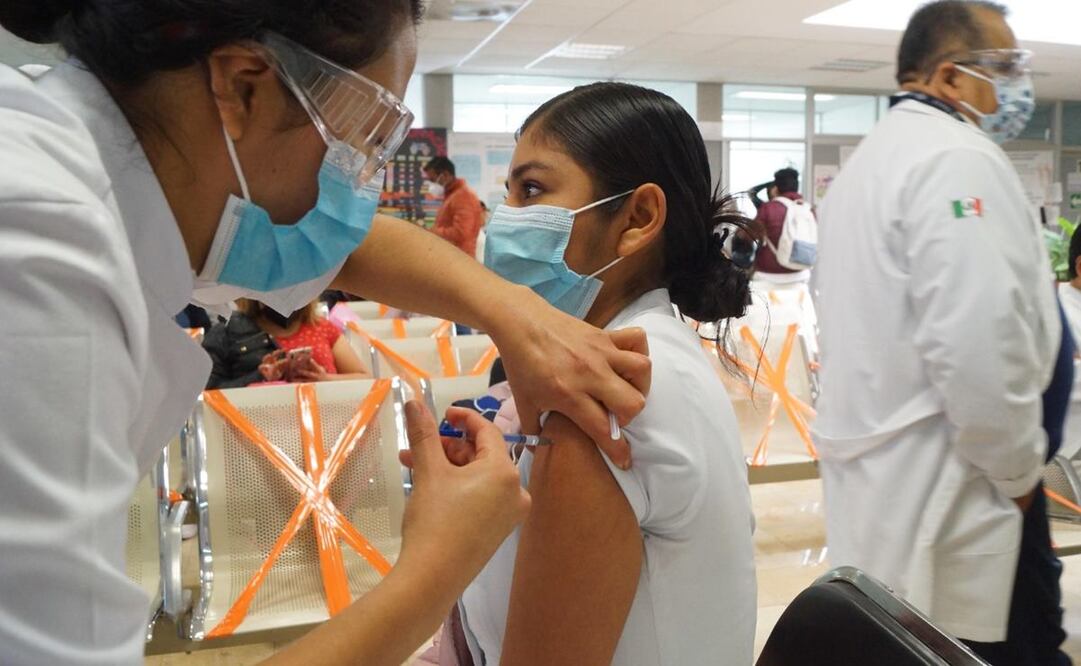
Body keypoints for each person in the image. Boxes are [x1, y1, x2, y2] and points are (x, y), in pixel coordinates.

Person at [0, 1, 653, 663]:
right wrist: (436, 567)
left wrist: (516, 314)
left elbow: (351, 247)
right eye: (363, 136)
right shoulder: (37, 261)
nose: (360, 184)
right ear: (244, 87)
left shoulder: (106, 181)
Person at [454, 82, 757, 665]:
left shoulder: (607, 385)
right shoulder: (644, 349)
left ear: (638, 218)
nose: (504, 219)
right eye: (508, 194)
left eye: (532, 190)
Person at [812, 2, 1065, 663]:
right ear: (950, 77)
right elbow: (979, 346)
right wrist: (1017, 476)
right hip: (959, 489)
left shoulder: (874, 161)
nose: (1016, 84)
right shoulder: (955, 158)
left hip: (894, 478)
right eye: (1004, 66)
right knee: (1009, 648)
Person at [203, 300, 371, 388]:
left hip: (328, 418)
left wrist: (325, 379)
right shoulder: (227, 332)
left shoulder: (322, 327)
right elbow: (208, 392)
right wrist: (260, 378)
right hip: (259, 425)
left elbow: (364, 379)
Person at [747, 168, 812, 283]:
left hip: (769, 272)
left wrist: (773, 183)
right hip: (801, 273)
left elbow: (752, 192)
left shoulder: (766, 208)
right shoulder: (808, 210)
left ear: (775, 190)